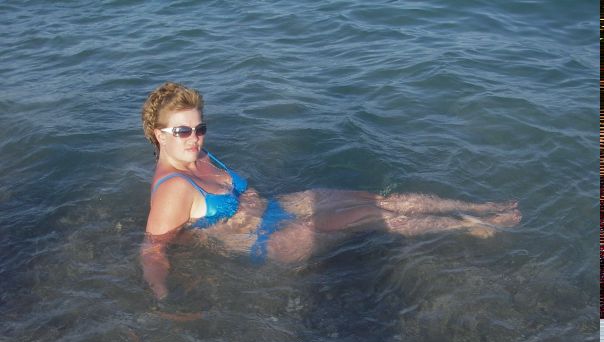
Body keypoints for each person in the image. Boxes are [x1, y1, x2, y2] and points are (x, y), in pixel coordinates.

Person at [140, 82, 521, 299]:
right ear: (160, 135)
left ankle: (479, 207)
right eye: (183, 131)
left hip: (275, 208)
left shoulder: (199, 156)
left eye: (200, 128)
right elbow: (153, 247)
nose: (195, 137)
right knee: (370, 215)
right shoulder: (173, 188)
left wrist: (248, 196)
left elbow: (228, 193)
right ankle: (469, 225)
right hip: (268, 241)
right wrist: (163, 295)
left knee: (376, 200)